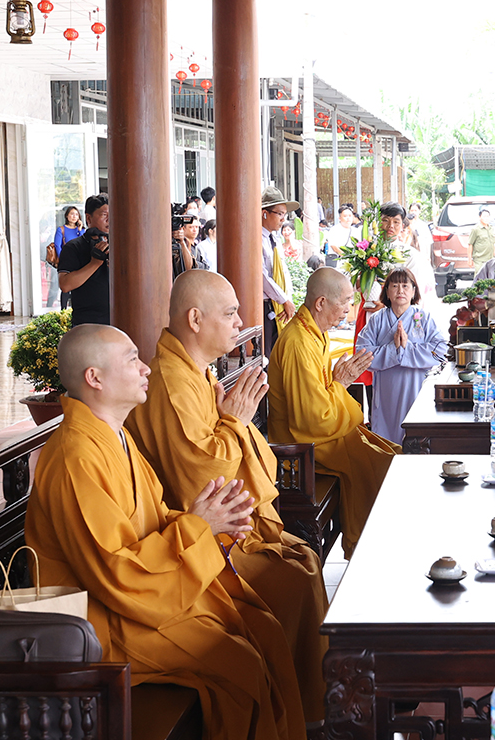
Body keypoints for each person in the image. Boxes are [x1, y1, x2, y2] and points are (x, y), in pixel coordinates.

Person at [25, 324, 306, 740]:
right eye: (132, 360)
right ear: (94, 378)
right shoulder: (75, 458)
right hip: (108, 621)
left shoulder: (116, 436)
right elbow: (118, 573)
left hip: (147, 597)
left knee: (262, 626)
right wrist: (199, 526)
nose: (145, 369)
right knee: (242, 665)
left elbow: (155, 516)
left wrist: (210, 523)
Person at [125, 270, 328, 724]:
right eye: (231, 313)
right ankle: (301, 711)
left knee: (302, 559)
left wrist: (232, 421)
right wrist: (235, 421)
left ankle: (310, 706)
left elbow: (226, 451)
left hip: (218, 526)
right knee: (293, 580)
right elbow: (202, 478)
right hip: (197, 539)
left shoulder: (195, 371)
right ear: (195, 319)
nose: (240, 322)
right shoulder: (172, 382)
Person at [267, 267, 398, 558]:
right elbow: (313, 420)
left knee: (393, 453)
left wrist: (338, 384)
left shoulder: (314, 333)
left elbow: (322, 397)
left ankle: (374, 542)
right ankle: (366, 548)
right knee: (382, 466)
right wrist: (340, 385)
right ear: (321, 303)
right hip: (301, 445)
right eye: (346, 302)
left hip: (320, 433)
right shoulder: (299, 343)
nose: (349, 309)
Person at [354, 268, 447, 443]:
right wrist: (393, 349)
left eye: (405, 286)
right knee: (387, 439)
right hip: (386, 392)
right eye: (395, 286)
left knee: (416, 437)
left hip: (415, 388)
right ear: (387, 292)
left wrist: (406, 349)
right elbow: (362, 352)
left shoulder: (423, 318)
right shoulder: (377, 320)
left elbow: (441, 350)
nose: (400, 291)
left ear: (413, 291)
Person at [58, 193, 111, 326]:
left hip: (120, 322)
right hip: (88, 324)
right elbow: (65, 285)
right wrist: (95, 263)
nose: (109, 219)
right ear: (88, 218)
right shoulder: (74, 247)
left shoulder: (121, 245)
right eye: (104, 215)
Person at [261, 187, 297, 356]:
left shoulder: (275, 237)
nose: (283, 219)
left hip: (280, 304)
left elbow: (282, 271)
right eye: (280, 214)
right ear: (265, 214)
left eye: (285, 215)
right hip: (266, 304)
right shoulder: (257, 239)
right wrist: (284, 299)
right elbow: (262, 276)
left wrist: (288, 298)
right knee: (267, 354)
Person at [53, 205, 85, 309]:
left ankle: (77, 308)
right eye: (72, 214)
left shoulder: (81, 230)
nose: (74, 216)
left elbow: (84, 242)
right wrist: (63, 259)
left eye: (76, 214)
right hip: (66, 261)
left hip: (79, 261)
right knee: (66, 287)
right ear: (67, 216)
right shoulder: (61, 229)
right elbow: (57, 245)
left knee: (78, 285)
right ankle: (63, 310)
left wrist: (80, 229)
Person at [172, 202, 207, 279]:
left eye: (196, 227)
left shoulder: (193, 247)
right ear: (183, 228)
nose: (195, 230)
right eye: (191, 227)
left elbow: (204, 266)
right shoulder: (180, 243)